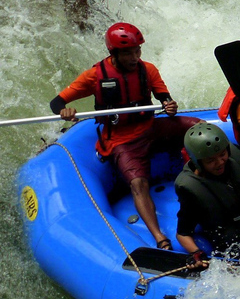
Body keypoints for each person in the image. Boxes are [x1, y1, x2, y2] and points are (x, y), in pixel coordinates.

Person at [50, 22, 200, 250]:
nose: (134, 57)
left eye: (137, 50)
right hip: (121, 140)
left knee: (198, 128)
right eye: (128, 52)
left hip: (150, 128)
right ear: (114, 53)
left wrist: (169, 106)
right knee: (138, 183)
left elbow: (164, 97)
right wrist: (65, 111)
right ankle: (160, 237)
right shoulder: (94, 76)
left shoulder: (147, 70)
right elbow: (57, 102)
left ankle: (199, 175)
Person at [174, 123, 240, 267]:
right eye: (211, 160)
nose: (220, 162)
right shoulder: (191, 189)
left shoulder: (234, 157)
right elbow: (182, 233)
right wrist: (196, 253)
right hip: (234, 244)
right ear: (198, 162)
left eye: (222, 155)